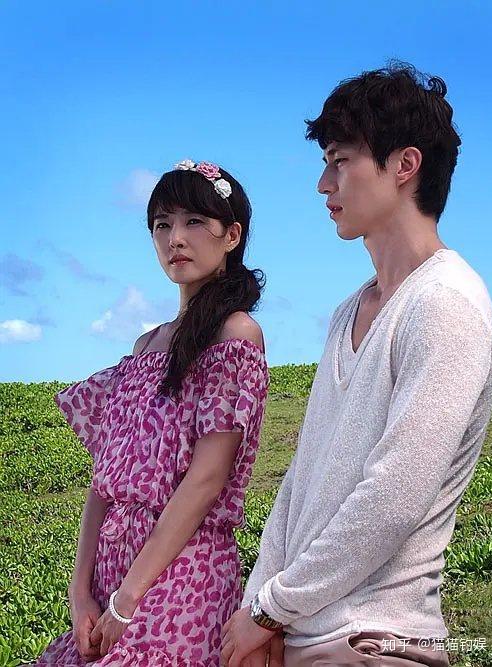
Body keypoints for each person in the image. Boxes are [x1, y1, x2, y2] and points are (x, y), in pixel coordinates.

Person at [221, 62, 492, 667]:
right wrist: (260, 609)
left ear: (405, 164)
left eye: (340, 160)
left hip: (375, 639)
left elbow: (393, 495)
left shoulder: (446, 303)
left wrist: (270, 610)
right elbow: (302, 481)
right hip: (301, 635)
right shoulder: (348, 310)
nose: (323, 183)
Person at [34, 159, 270, 666]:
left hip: (184, 577)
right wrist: (81, 592)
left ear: (231, 236)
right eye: (162, 225)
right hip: (111, 575)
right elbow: (103, 482)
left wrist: (127, 600)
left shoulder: (235, 335)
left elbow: (206, 481)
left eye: (194, 222)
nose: (174, 239)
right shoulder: (144, 346)